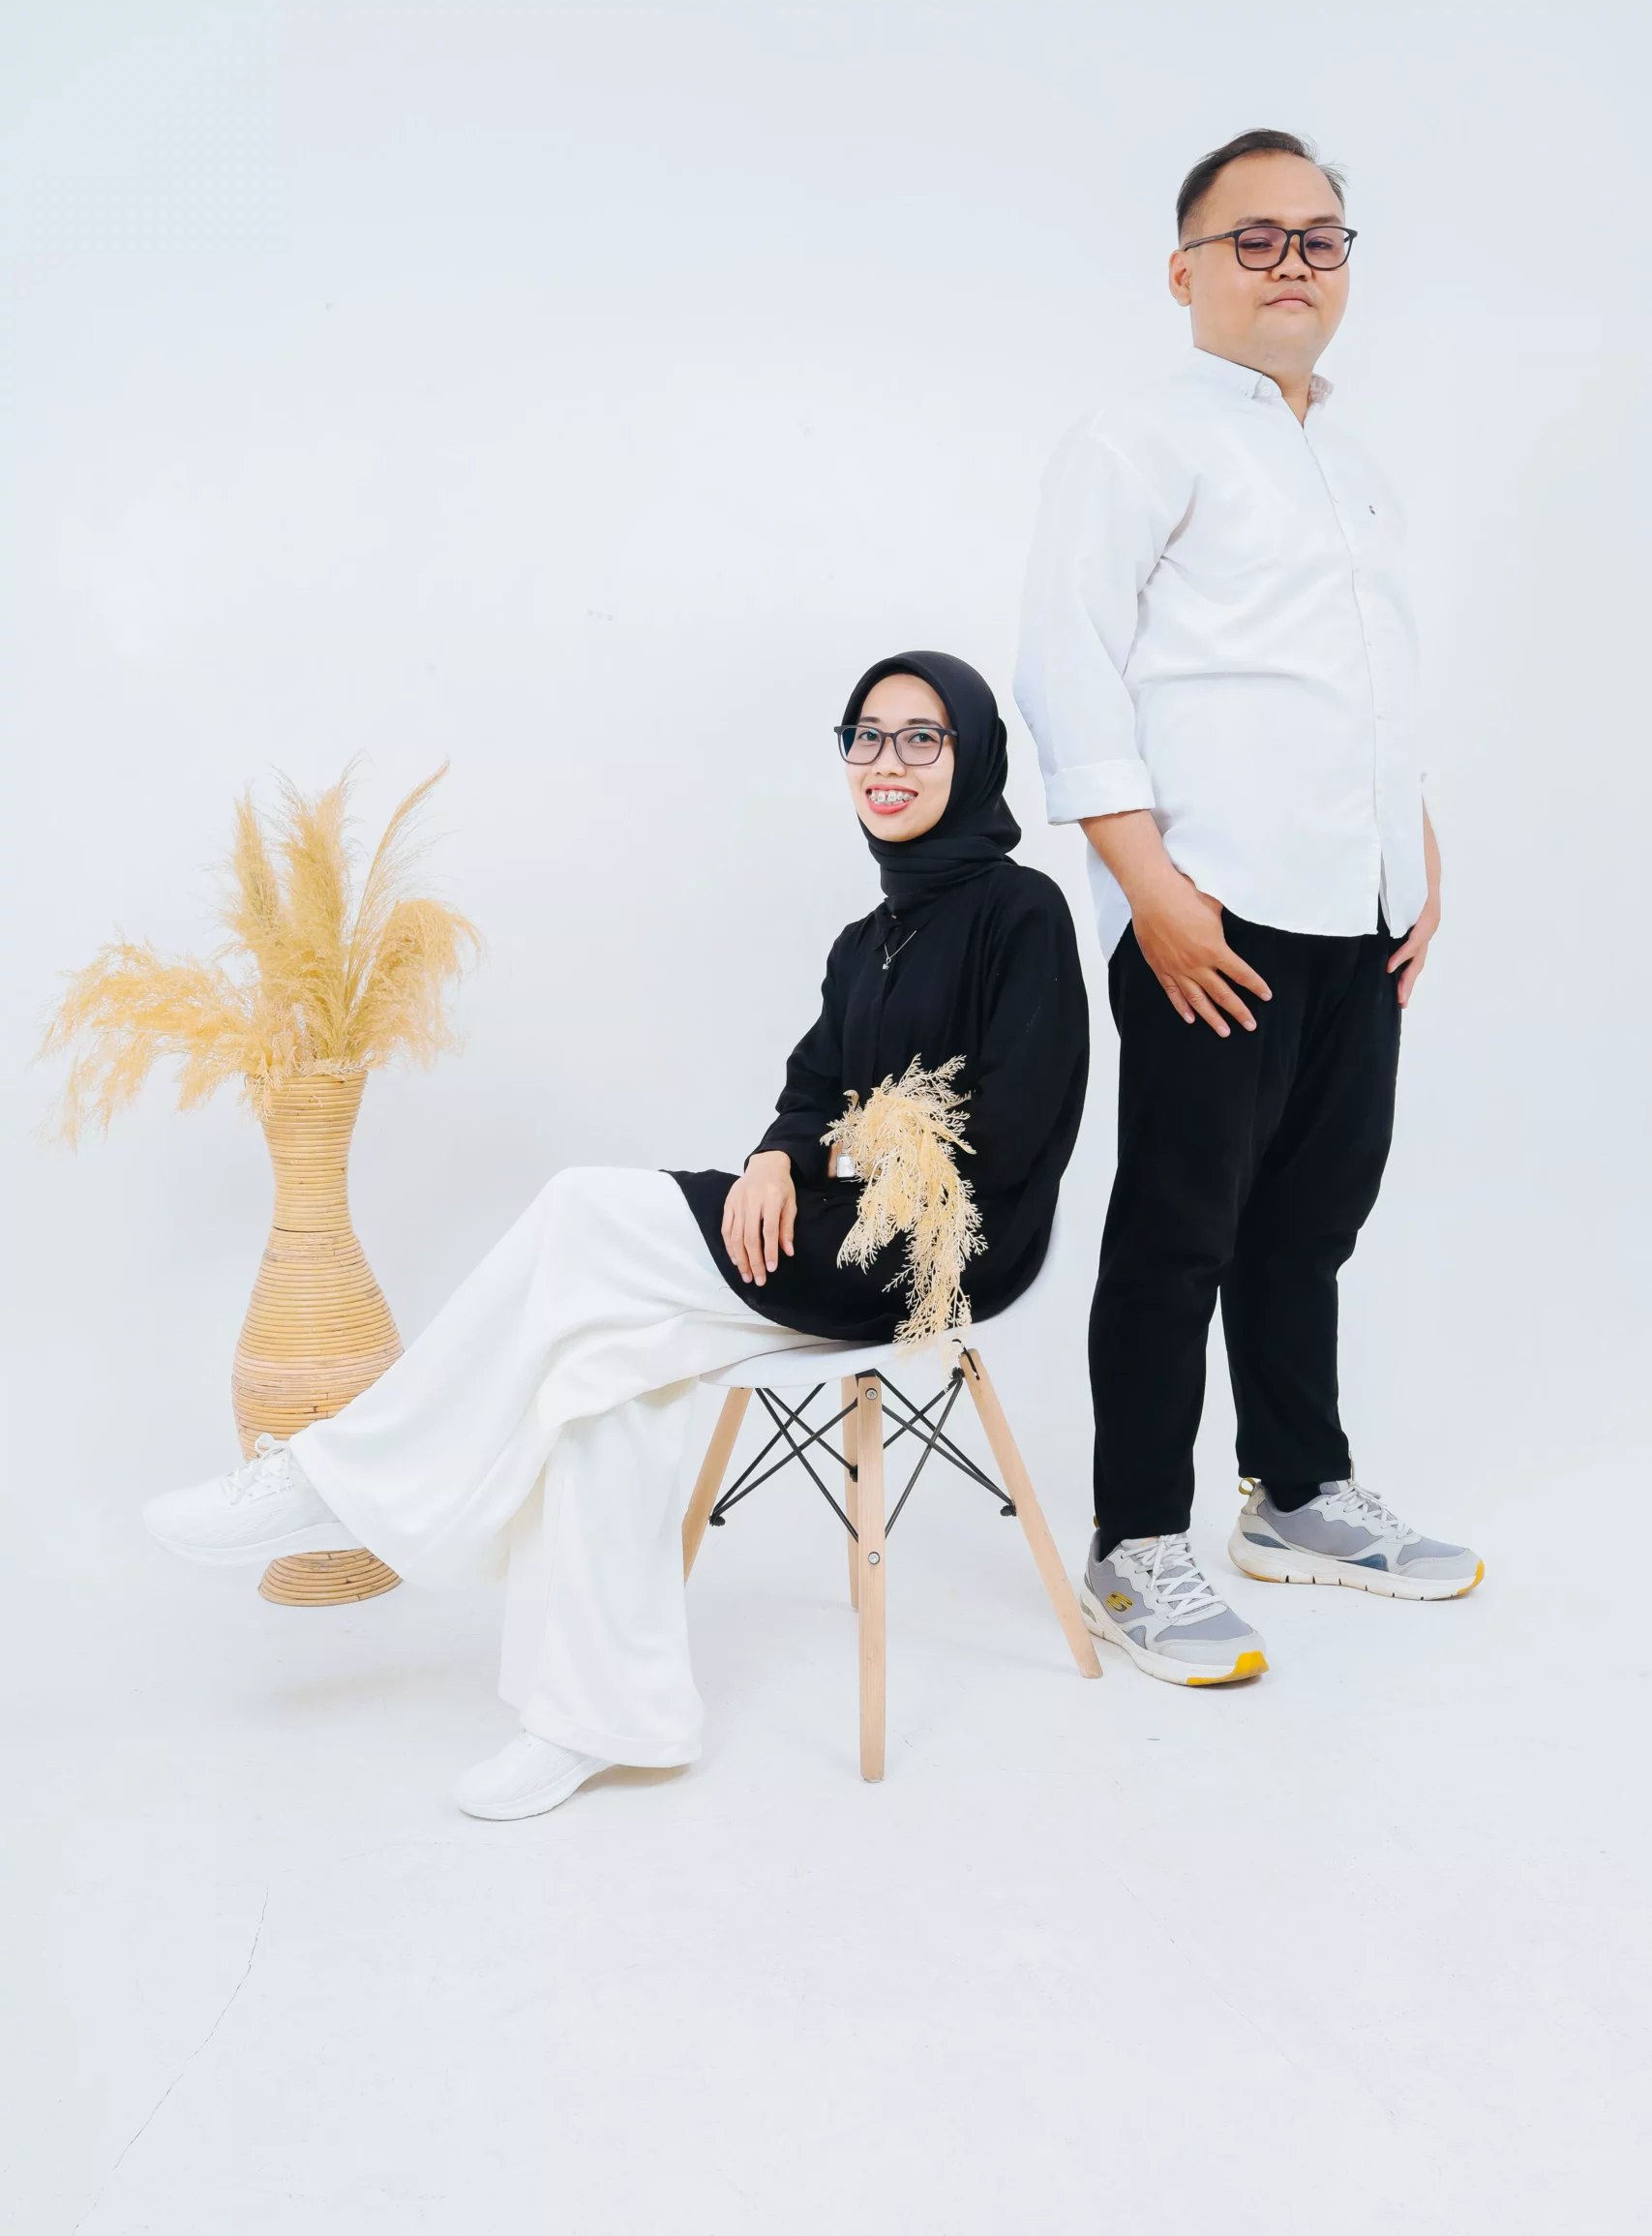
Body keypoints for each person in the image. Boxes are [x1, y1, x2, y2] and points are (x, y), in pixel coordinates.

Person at [144, 652, 1089, 1814]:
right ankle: (593, 1718)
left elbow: (1015, 1129)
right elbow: (811, 1087)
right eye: (866, 735)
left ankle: (337, 1475)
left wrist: (861, 1154)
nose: (885, 762)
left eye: (920, 737)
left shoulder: (1021, 911)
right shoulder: (867, 938)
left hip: (942, 1254)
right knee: (596, 1363)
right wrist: (776, 1158)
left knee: (582, 1208)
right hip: (838, 1232)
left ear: (973, 754)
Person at [1014, 128, 1483, 1690]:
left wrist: (1413, 850)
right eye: (1255, 238)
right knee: (1177, 1229)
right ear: (1184, 272)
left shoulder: (1353, 463)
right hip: (1210, 909)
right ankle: (1134, 1540)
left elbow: (1356, 680)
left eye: (1319, 238)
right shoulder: (1135, 440)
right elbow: (1067, 662)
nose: (1292, 264)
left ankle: (1293, 1493)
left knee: (1311, 1221)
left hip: (1359, 908)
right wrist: (1144, 885)